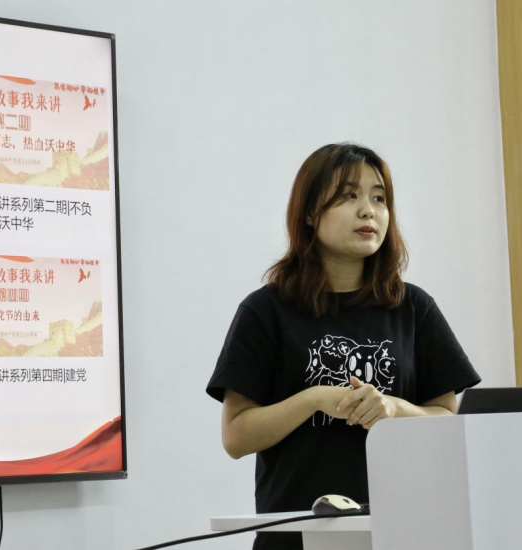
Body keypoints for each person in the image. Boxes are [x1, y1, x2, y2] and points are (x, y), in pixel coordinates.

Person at [206, 143, 481, 550]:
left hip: (401, 534)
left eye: (379, 198)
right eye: (349, 195)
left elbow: (448, 420)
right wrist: (314, 399)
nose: (369, 211)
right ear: (309, 213)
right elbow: (236, 436)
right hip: (297, 539)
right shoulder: (265, 311)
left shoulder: (414, 307)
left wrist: (392, 409)